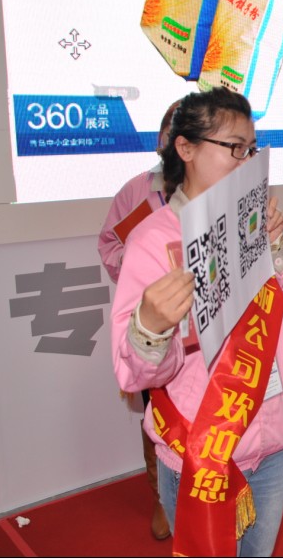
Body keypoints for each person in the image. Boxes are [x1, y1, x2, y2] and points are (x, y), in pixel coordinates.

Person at [110, 87, 283, 557]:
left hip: (273, 440)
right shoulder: (151, 241)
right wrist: (150, 327)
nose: (247, 161)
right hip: (201, 450)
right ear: (186, 148)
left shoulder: (253, 221)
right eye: (234, 148)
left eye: (252, 149)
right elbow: (134, 374)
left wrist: (277, 253)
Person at [97, 99, 180, 541]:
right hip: (156, 323)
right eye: (171, 132)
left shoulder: (217, 191)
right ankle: (161, 496)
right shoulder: (136, 190)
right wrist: (139, 266)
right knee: (157, 412)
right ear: (162, 141)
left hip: (204, 318)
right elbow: (108, 244)